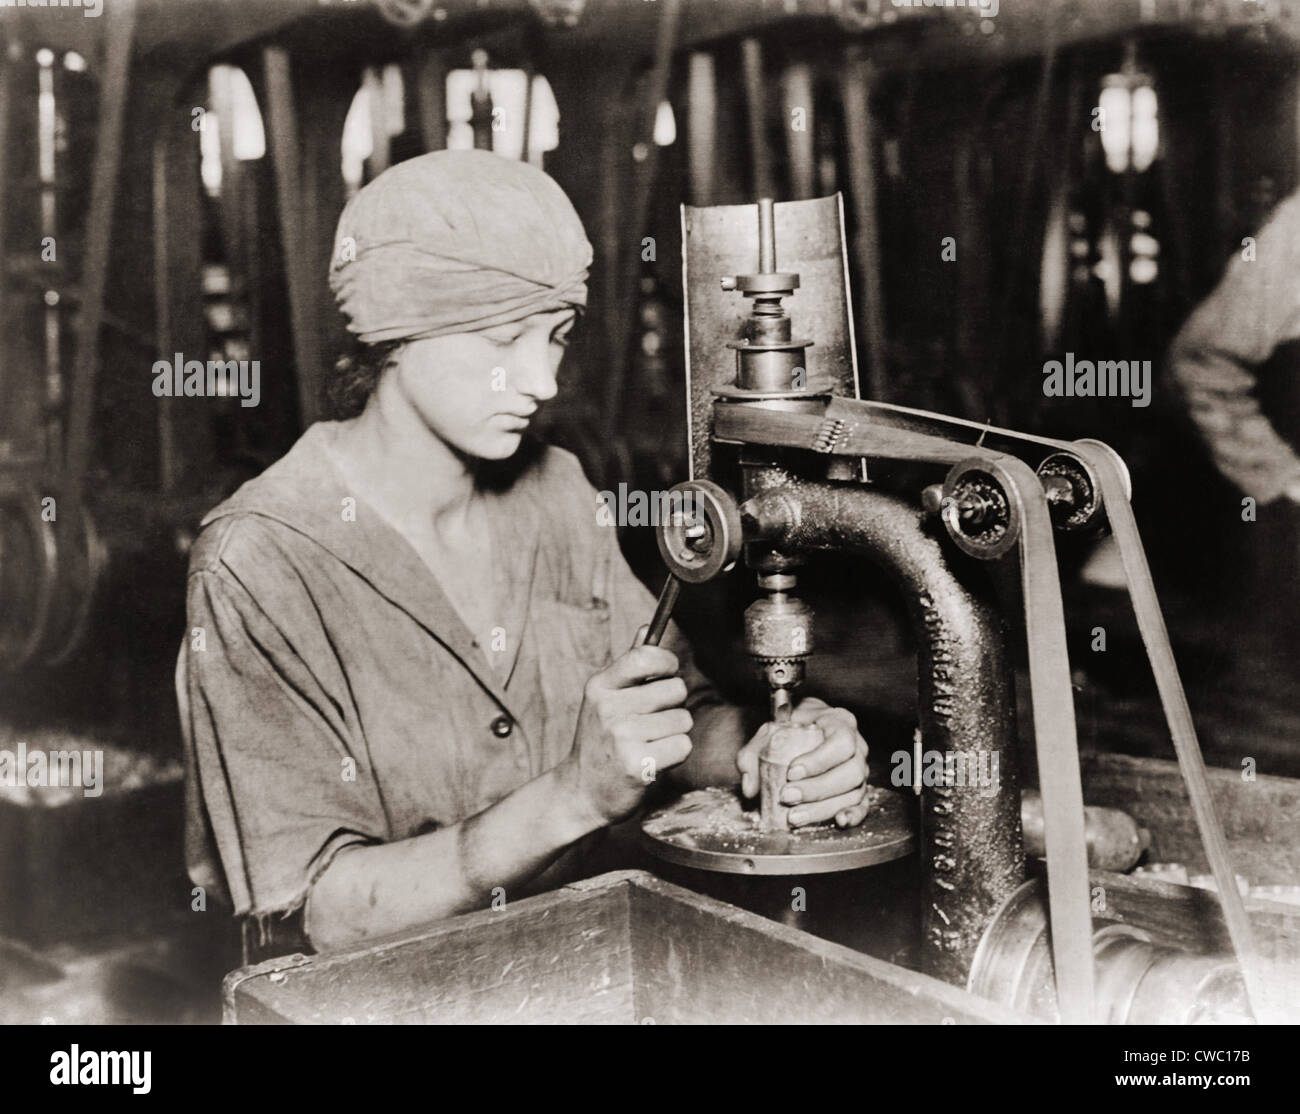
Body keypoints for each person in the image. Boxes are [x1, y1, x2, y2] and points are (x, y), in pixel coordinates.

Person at [175, 150, 871, 961]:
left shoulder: (555, 489)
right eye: (506, 336)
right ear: (396, 334)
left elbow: (671, 720)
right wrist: (570, 797)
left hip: (579, 968)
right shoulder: (259, 562)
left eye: (558, 335)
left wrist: (775, 749)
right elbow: (322, 912)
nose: (543, 379)